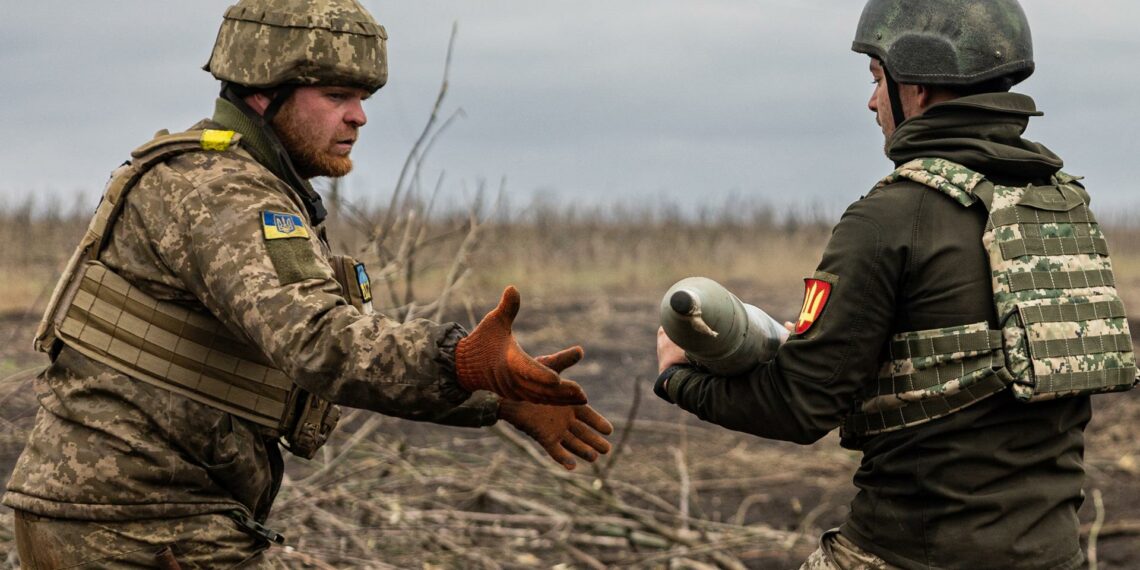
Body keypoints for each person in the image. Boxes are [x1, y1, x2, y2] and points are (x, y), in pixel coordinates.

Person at [3, 0, 613, 566]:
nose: (360, 116)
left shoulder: (243, 182)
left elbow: (282, 366)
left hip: (139, 513)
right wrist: (460, 361)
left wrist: (493, 394)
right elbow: (319, 343)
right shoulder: (221, 191)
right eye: (337, 95)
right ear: (262, 93)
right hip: (137, 524)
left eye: (363, 97)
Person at [654, 1, 1137, 569]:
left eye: (876, 79)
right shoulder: (1065, 208)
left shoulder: (888, 218)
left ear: (917, 85)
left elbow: (797, 407)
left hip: (910, 554)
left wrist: (677, 377)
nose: (871, 102)